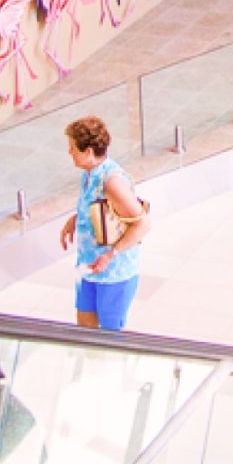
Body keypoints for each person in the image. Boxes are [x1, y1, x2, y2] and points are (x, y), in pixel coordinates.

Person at [60, 116, 150, 329]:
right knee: (84, 326)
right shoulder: (89, 173)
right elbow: (97, 208)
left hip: (113, 274)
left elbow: (143, 224)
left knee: (109, 337)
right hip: (88, 267)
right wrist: (75, 220)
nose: (69, 152)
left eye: (73, 148)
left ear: (88, 152)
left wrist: (111, 254)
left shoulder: (112, 182)